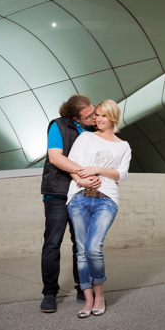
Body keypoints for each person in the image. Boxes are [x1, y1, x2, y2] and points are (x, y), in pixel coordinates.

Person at [65, 100, 132, 318]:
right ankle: (88, 299)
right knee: (82, 250)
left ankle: (100, 295)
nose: (98, 119)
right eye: (97, 115)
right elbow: (72, 164)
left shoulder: (123, 146)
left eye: (103, 116)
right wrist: (81, 181)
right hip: (79, 196)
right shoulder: (85, 137)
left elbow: (121, 174)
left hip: (106, 199)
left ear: (113, 117)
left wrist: (98, 169)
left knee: (94, 248)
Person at [39, 94, 98, 313]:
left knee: (81, 244)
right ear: (75, 117)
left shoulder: (93, 128)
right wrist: (82, 173)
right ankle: (49, 294)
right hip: (57, 193)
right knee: (52, 243)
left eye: (93, 111)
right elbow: (55, 158)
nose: (94, 116)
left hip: (83, 192)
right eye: (88, 115)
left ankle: (84, 288)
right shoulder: (57, 125)